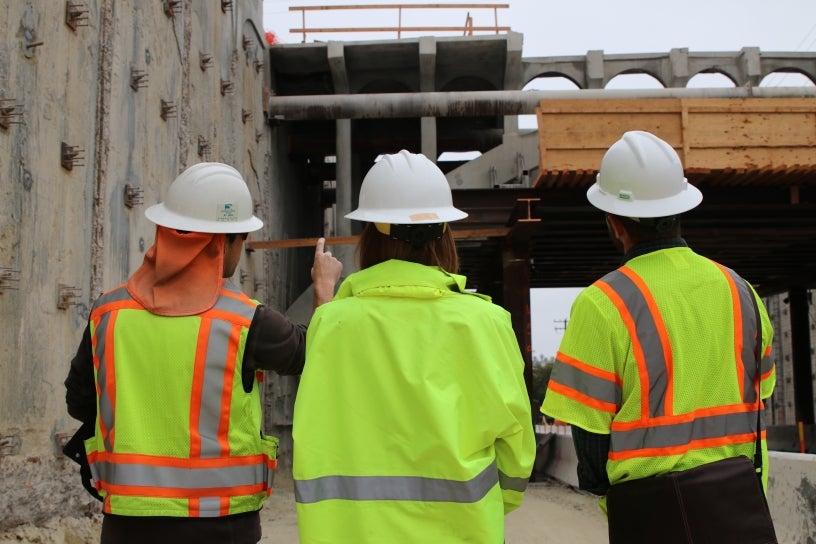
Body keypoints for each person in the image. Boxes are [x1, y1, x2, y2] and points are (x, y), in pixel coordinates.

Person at [64, 162, 343, 544]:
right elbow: (317, 354)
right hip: (222, 525)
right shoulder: (247, 322)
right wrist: (323, 291)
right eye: (241, 239)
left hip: (128, 523)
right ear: (222, 242)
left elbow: (79, 402)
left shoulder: (107, 313)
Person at [541, 131, 777, 541]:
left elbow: (592, 443)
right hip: (740, 504)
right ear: (680, 209)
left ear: (614, 223)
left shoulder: (603, 303)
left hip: (649, 513)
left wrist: (607, 493)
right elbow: (761, 397)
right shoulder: (741, 290)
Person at [291, 150, 537, 544]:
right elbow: (516, 451)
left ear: (369, 234)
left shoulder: (333, 323)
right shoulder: (485, 323)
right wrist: (488, 506)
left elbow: (313, 435)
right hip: (464, 533)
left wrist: (325, 297)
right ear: (444, 233)